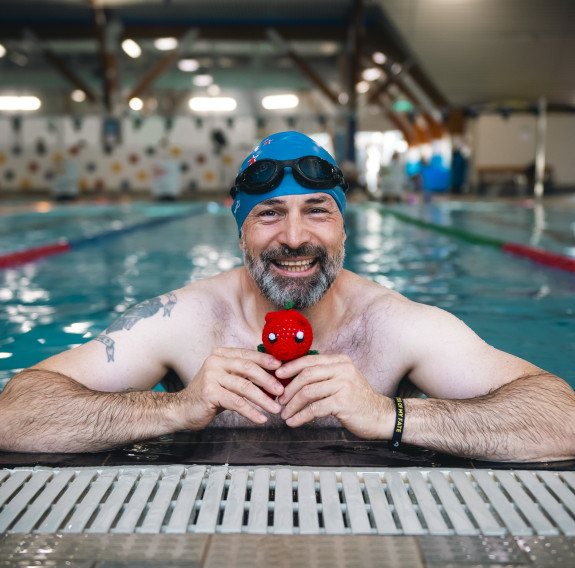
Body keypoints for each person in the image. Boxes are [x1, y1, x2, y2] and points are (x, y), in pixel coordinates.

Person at [1, 131, 574, 462]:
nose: (295, 237)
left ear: (345, 228)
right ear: (241, 231)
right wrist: (173, 407)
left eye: (316, 211)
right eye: (269, 214)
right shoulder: (184, 319)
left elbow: (563, 422)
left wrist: (389, 415)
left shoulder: (395, 326)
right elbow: (13, 415)